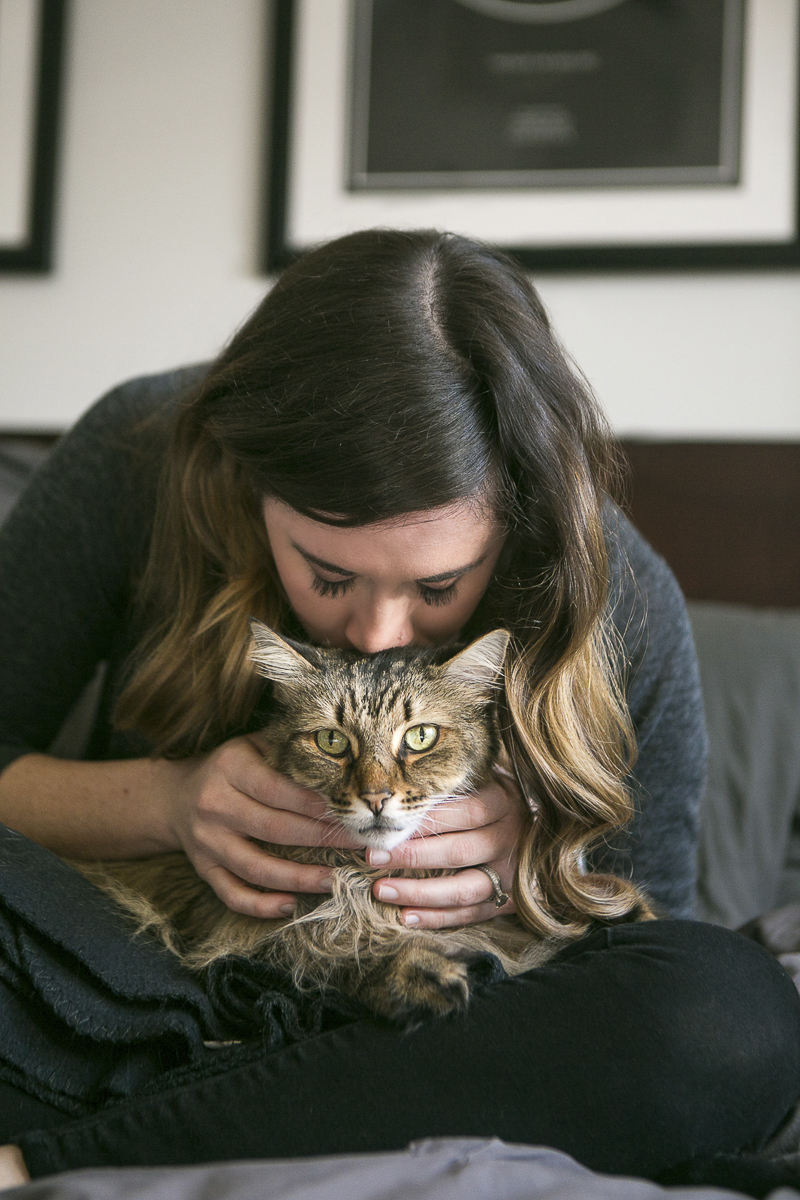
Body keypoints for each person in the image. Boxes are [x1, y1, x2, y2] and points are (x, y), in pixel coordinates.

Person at [0, 229, 797, 1191]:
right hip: (127, 979)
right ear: (247, 485)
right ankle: (268, 1109)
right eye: (327, 574)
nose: (377, 633)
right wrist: (169, 802)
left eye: (439, 584)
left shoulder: (620, 590)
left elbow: (644, 938)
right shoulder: (142, 447)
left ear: (516, 525)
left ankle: (76, 1150)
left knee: (728, 1014)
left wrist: (537, 866)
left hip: (431, 1024)